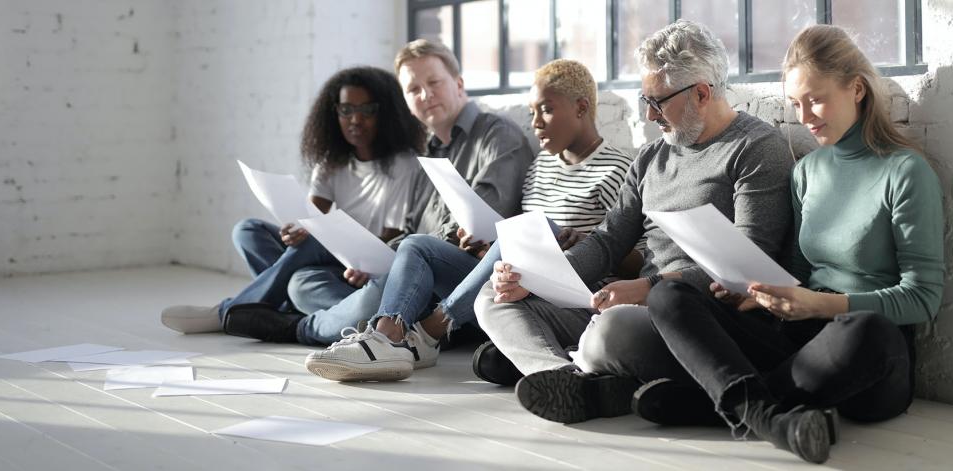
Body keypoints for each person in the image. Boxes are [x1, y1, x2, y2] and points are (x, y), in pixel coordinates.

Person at [574, 24, 945, 464]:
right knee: (671, 291)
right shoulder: (808, 172)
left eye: (816, 99)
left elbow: (924, 298)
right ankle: (767, 416)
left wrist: (819, 305)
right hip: (800, 338)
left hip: (868, 352)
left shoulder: (906, 172)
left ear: (857, 89)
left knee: (869, 332)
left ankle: (721, 405)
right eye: (796, 104)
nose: (805, 116)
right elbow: (796, 274)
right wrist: (759, 294)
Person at [475, 19, 796, 425]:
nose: (648, 114)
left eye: (658, 101)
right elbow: (609, 240)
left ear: (701, 93)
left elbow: (749, 266)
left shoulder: (755, 150)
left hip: (692, 320)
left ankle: (574, 369)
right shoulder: (650, 158)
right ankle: (567, 379)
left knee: (611, 330)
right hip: (625, 307)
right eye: (644, 99)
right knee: (493, 297)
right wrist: (537, 278)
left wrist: (648, 289)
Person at [303, 59, 637, 382]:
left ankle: (426, 334)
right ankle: (385, 337)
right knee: (417, 245)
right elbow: (518, 239)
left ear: (581, 108)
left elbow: (637, 257)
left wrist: (588, 242)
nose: (535, 123)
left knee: (539, 229)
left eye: (546, 110)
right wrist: (487, 246)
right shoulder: (541, 166)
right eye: (532, 112)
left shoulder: (617, 170)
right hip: (512, 285)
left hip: (570, 295)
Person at [230, 39, 534, 347]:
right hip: (415, 272)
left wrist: (401, 259)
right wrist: (375, 260)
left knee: (386, 280)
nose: (425, 95)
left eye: (434, 83)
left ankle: (300, 327)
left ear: (458, 83)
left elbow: (477, 226)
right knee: (303, 283)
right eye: (414, 90)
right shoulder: (428, 152)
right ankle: (359, 315)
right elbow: (411, 228)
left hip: (463, 276)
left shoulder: (497, 136)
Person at [159, 66, 425, 344]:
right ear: (334, 113)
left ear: (386, 114)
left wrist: (319, 237)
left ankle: (230, 311)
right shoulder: (331, 163)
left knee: (307, 264)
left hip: (366, 267)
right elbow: (311, 217)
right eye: (346, 110)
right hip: (329, 263)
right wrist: (295, 231)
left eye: (366, 110)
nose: (355, 119)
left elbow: (391, 238)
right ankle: (279, 306)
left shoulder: (403, 165)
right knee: (249, 231)